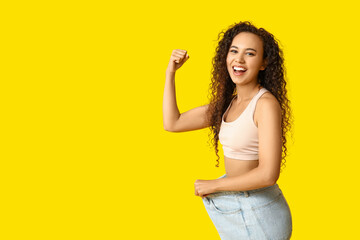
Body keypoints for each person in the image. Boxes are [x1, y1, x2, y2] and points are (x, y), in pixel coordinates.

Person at [163, 21, 293, 240]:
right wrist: (170, 73)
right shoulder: (228, 104)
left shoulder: (265, 105)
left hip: (259, 211)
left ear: (264, 63)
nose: (239, 59)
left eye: (250, 53)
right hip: (239, 207)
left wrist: (215, 185)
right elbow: (173, 123)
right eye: (234, 51)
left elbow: (268, 174)